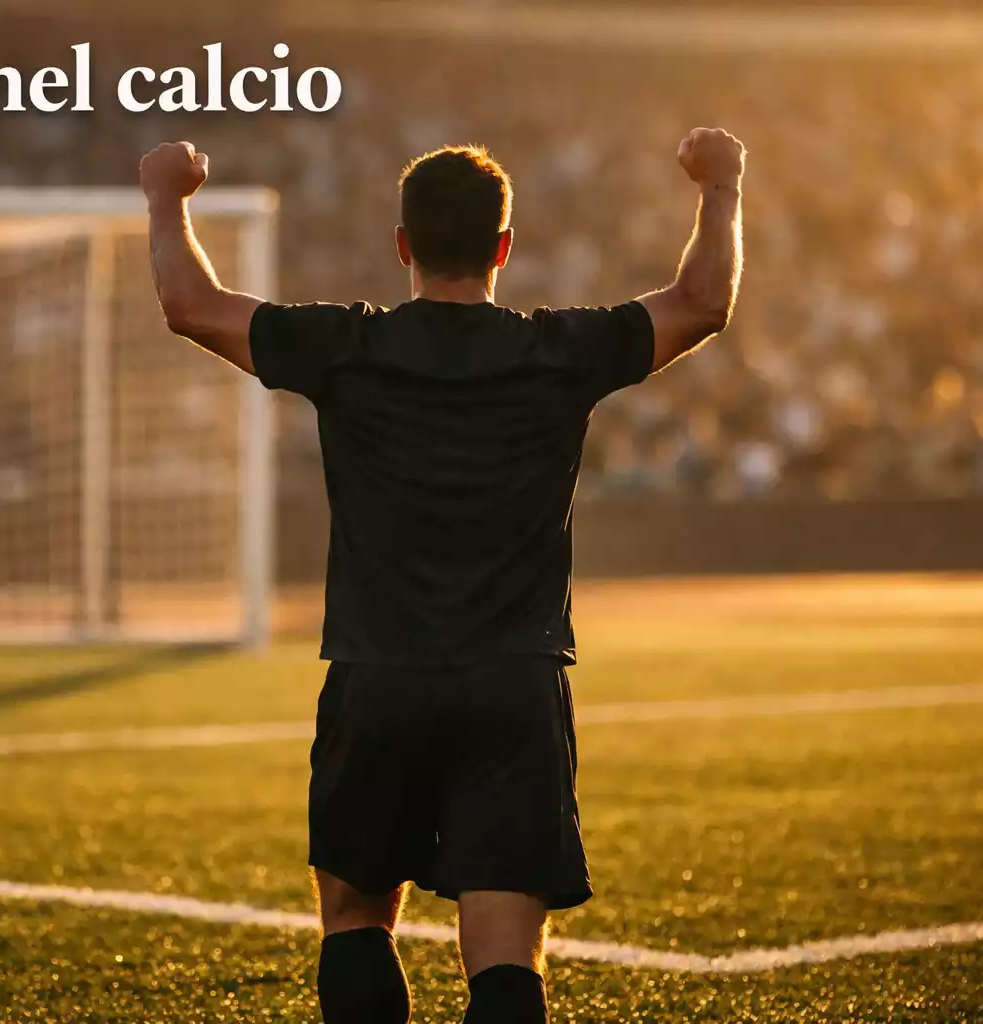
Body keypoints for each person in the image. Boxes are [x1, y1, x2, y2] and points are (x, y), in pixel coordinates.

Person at [139, 128, 745, 1024]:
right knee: (504, 956)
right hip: (513, 681)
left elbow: (190, 304)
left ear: (403, 245)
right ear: (504, 248)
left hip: (378, 675)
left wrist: (166, 198)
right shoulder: (557, 352)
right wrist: (721, 186)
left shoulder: (346, 346)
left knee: (355, 920)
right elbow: (701, 302)